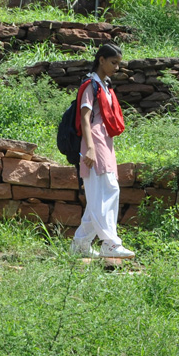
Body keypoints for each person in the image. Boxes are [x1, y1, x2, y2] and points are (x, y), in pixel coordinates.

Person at [71, 44, 135, 259]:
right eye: (113, 62)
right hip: (95, 142)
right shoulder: (91, 84)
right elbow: (84, 118)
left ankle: (80, 245)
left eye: (118, 63)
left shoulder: (104, 85)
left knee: (100, 194)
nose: (116, 67)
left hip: (105, 141)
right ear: (101, 60)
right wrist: (89, 148)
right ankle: (110, 243)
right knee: (108, 190)